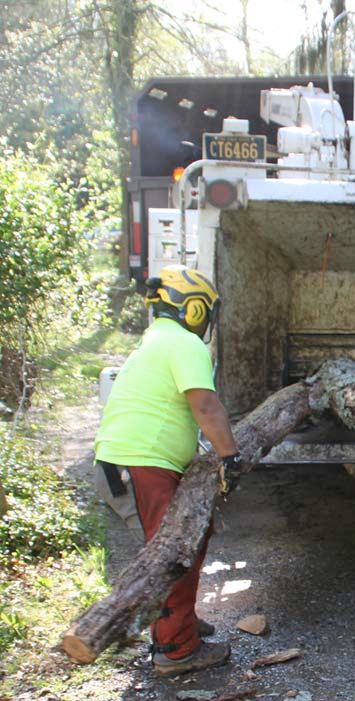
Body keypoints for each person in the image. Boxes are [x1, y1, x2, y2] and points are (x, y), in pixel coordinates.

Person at [94, 265, 243, 677]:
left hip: (142, 462)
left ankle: (182, 624)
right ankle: (175, 649)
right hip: (140, 464)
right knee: (173, 556)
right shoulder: (183, 344)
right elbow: (205, 406)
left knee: (194, 534)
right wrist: (230, 456)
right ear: (194, 309)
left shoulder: (156, 340)